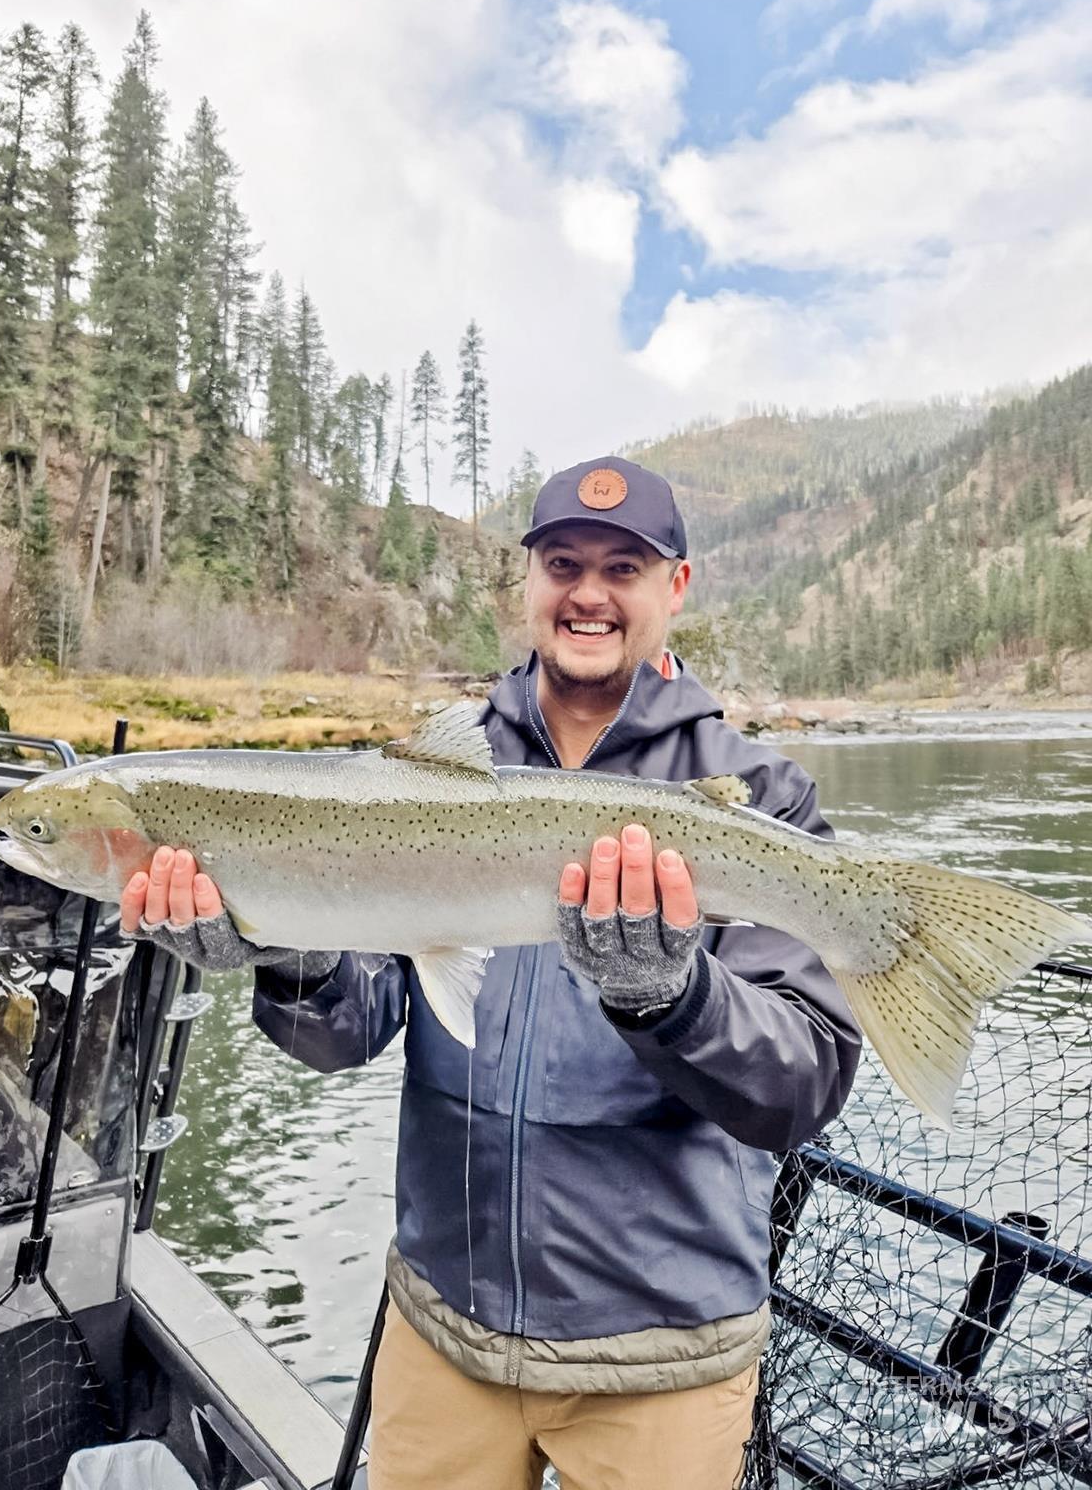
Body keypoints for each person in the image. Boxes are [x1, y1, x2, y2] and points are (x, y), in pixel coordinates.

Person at [124, 456, 861, 1490]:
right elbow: (349, 1031)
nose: (589, 593)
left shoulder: (755, 797)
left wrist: (674, 996)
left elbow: (802, 1087)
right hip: (442, 1334)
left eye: (623, 566)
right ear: (527, 581)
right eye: (563, 562)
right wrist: (289, 951)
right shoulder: (420, 775)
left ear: (675, 587)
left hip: (662, 1360)